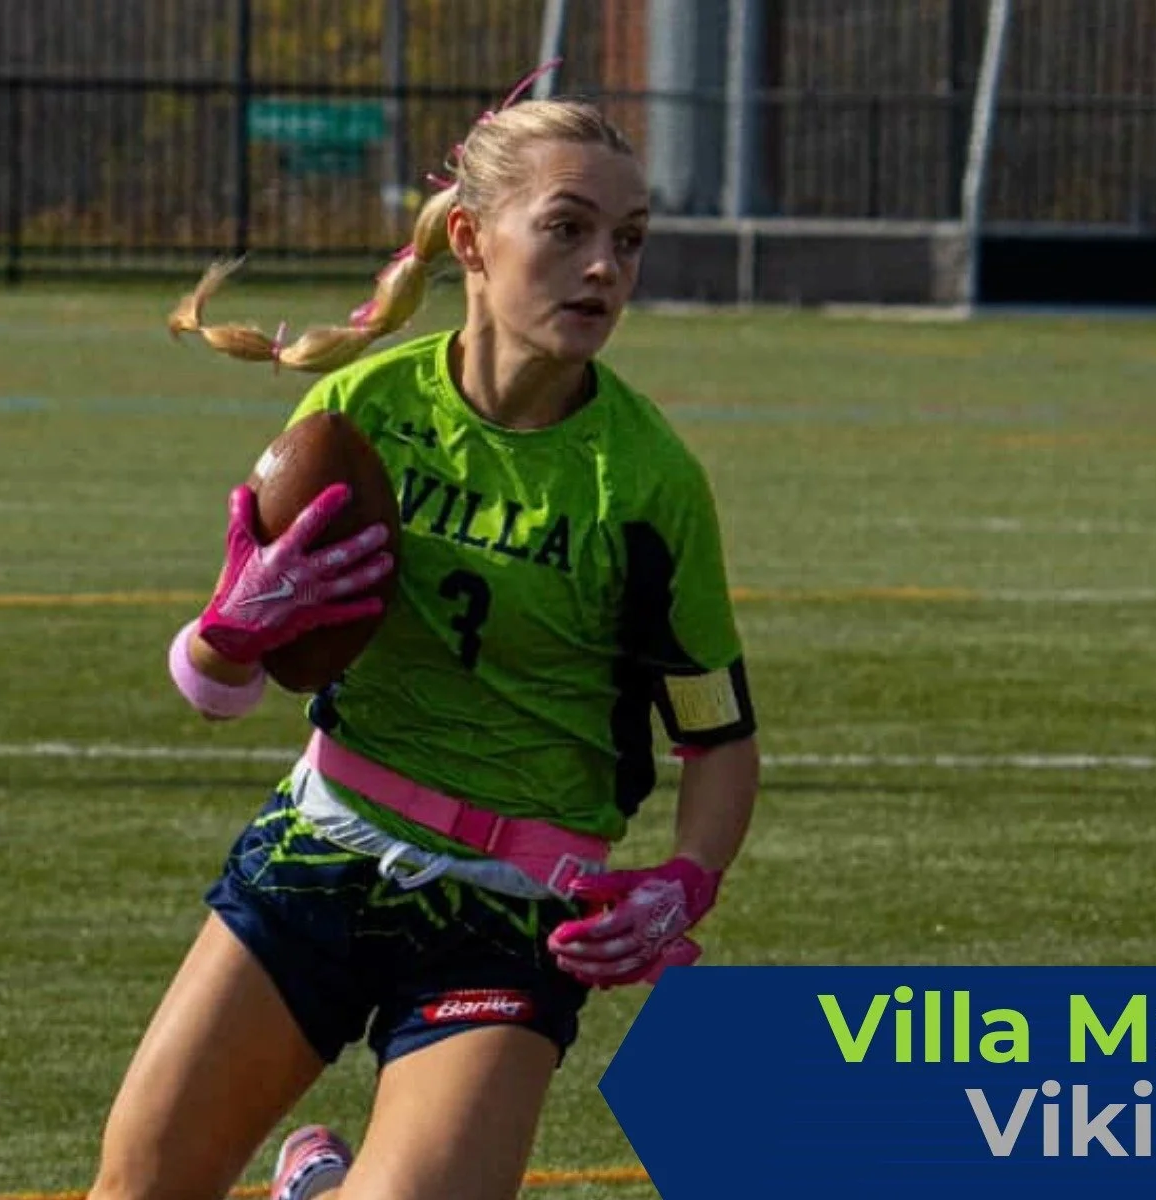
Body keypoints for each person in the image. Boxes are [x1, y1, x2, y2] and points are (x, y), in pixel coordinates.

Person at [84, 88, 761, 1200]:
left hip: (506, 915)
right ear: (469, 239)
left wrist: (687, 882)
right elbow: (215, 692)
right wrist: (231, 630)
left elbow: (718, 737)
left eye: (628, 241)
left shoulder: (648, 485)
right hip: (318, 855)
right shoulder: (360, 414)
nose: (605, 269)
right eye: (568, 228)